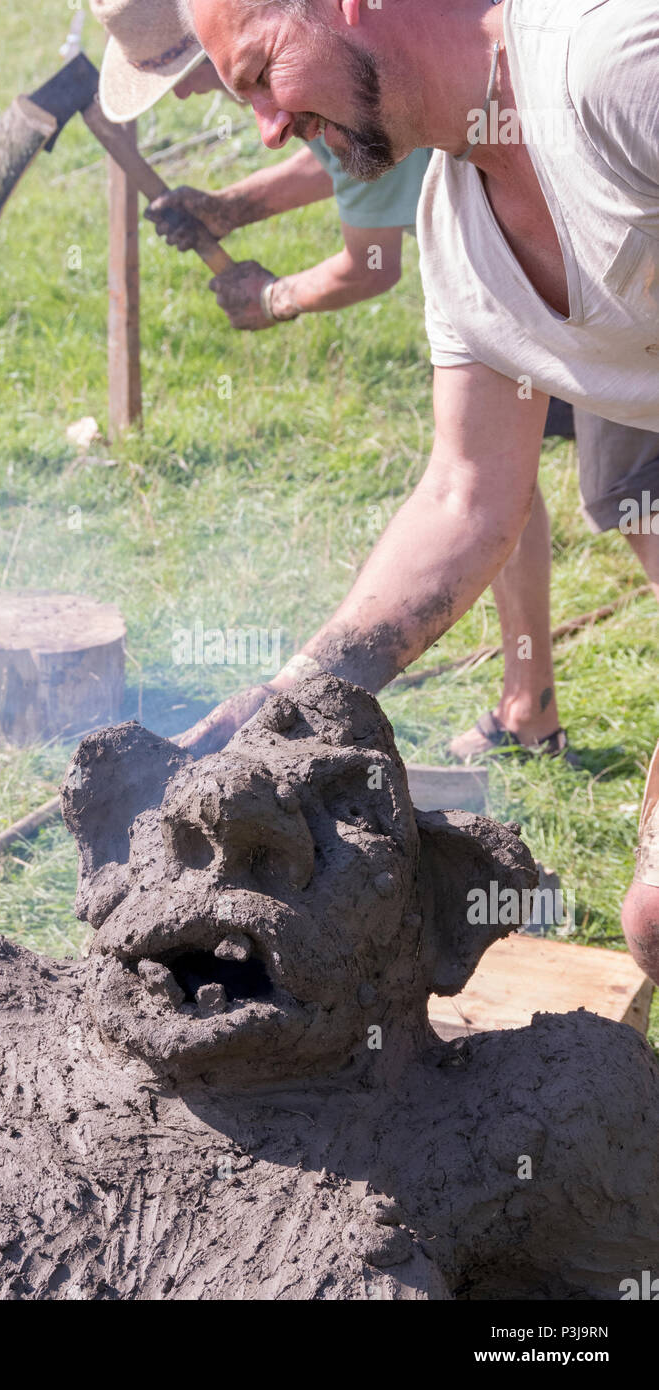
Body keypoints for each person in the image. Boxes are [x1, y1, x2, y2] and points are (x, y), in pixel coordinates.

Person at [161, 0, 659, 981]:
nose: (266, 126)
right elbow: (464, 500)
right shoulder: (456, 228)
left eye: (261, 71)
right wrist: (292, 701)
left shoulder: (612, 71)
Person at [90, 0, 431, 332]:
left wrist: (271, 299)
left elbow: (372, 268)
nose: (180, 94)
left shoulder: (329, 79)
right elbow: (354, 164)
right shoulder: (314, 72)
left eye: (181, 74)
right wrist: (231, 208)